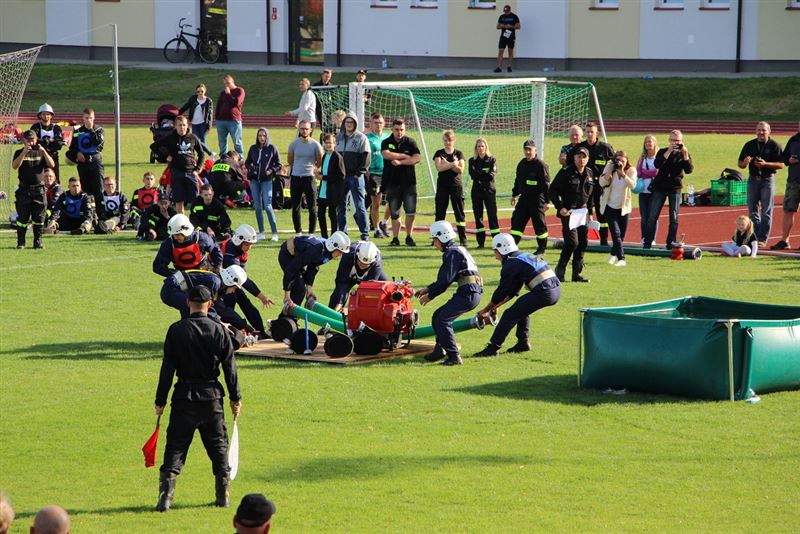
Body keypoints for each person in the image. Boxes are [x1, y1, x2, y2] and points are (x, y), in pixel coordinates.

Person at [154, 284, 241, 512]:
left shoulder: (176, 330)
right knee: (219, 446)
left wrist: (160, 400)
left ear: (187, 303)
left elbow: (167, 369)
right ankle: (223, 497)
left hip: (183, 397)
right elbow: (230, 368)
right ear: (210, 304)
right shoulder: (219, 330)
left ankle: (165, 499)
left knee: (175, 447)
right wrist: (235, 398)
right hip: (212, 397)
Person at [474, 234, 560, 357]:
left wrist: (486, 310)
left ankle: (493, 348)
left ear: (502, 249)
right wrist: (495, 306)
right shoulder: (520, 258)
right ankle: (523, 343)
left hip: (544, 292)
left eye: (495, 251)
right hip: (554, 290)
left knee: (509, 314)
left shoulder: (511, 263)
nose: (495, 256)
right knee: (521, 310)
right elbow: (513, 291)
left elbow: (502, 291)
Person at [415, 221, 482, 366]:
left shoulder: (451, 253)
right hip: (470, 291)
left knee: (443, 320)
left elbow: (445, 280)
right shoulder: (457, 250)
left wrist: (430, 295)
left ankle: (454, 356)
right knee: (438, 316)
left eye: (435, 240)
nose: (434, 244)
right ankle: (440, 350)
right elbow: (446, 279)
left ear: (442, 237)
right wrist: (428, 288)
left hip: (468, 292)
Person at [548, 147, 594, 283]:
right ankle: (560, 270)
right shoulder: (566, 172)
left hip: (582, 212)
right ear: (574, 158)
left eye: (584, 157)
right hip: (568, 212)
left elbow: (590, 195)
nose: (581, 159)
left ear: (588, 159)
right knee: (572, 242)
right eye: (579, 156)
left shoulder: (589, 173)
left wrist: (590, 212)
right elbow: (552, 190)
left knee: (583, 242)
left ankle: (577, 274)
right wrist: (560, 207)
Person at [643, 129, 694, 250]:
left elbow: (689, 170)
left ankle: (670, 242)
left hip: (675, 188)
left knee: (674, 217)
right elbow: (657, 164)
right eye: (673, 140)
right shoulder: (662, 151)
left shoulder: (684, 154)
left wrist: (685, 155)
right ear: (669, 141)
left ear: (682, 141)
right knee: (652, 216)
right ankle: (647, 242)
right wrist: (669, 151)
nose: (675, 143)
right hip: (660, 187)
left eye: (678, 141)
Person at [221, 224, 275, 336]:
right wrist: (261, 296)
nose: (249, 248)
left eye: (251, 244)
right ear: (238, 241)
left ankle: (260, 331)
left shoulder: (239, 250)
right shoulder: (229, 256)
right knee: (231, 303)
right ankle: (229, 332)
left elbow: (242, 275)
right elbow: (243, 280)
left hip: (229, 280)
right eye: (247, 244)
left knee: (245, 303)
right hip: (220, 283)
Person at [738, 121, 784, 247]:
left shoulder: (774, 145)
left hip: (767, 180)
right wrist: (744, 163)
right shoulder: (749, 145)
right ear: (755, 131)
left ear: (769, 131)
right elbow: (740, 163)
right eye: (759, 130)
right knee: (752, 209)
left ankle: (763, 239)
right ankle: (755, 236)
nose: (761, 132)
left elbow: (781, 164)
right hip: (753, 179)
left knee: (766, 210)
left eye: (763, 130)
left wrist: (765, 164)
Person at [149, 115, 205, 215]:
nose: (182, 127)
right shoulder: (171, 138)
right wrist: (166, 156)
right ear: (175, 126)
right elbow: (154, 146)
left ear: (187, 125)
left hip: (191, 172)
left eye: (184, 125)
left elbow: (201, 153)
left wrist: (198, 168)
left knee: (195, 200)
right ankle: (181, 220)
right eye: (179, 125)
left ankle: (196, 220)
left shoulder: (193, 138)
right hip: (176, 172)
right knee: (179, 200)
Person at [279, 231, 350, 306]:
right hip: (287, 255)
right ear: (333, 246)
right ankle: (289, 312)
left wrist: (309, 287)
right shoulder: (315, 250)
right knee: (299, 289)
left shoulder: (328, 252)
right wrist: (287, 294)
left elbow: (313, 266)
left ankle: (290, 312)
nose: (341, 255)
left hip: (299, 256)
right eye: (340, 252)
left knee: (300, 288)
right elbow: (292, 268)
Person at [381, 119, 421, 247]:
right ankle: (395, 238)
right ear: (392, 129)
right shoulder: (386, 142)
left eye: (402, 129)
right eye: (397, 130)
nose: (399, 132)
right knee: (394, 212)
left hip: (409, 183)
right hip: (392, 183)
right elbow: (386, 154)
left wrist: (400, 162)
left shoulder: (411, 142)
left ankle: (409, 236)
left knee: (410, 211)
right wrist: (404, 156)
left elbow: (417, 158)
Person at [12, 129, 54, 249]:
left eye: (33, 140)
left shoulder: (41, 152)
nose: (31, 142)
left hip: (39, 190)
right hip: (24, 189)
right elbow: (15, 166)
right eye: (28, 140)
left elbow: (52, 165)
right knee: (22, 218)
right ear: (23, 141)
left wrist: (44, 151)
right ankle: (21, 243)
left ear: (36, 140)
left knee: (39, 218)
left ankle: (38, 243)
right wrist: (24, 153)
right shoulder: (19, 152)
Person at [576, 122, 615, 246]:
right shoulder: (580, 147)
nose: (589, 134)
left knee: (601, 213)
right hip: (583, 185)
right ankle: (581, 241)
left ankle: (604, 241)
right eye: (587, 132)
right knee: (582, 211)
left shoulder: (605, 148)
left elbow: (614, 163)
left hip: (600, 185)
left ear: (596, 132)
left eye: (592, 132)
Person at [510, 139, 550, 255]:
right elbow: (518, 181)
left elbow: (546, 185)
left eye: (530, 150)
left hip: (537, 199)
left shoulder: (540, 165)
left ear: (535, 150)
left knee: (539, 224)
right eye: (526, 149)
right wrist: (514, 194)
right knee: (517, 220)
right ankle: (512, 246)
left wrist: (547, 201)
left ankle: (542, 248)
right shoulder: (521, 164)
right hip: (524, 198)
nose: (527, 152)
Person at [336, 112, 371, 241]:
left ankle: (365, 234)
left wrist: (358, 173)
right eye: (347, 122)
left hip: (355, 178)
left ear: (355, 124)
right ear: (344, 123)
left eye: (351, 122)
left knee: (360, 206)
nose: (349, 124)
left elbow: (366, 157)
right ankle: (342, 232)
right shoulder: (338, 137)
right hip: (341, 178)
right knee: (341, 207)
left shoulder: (361, 138)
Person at [153, 213, 222, 277]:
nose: (175, 237)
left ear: (185, 231)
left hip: (202, 273)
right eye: (173, 235)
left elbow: (215, 249)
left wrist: (216, 266)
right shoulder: (169, 244)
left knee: (215, 282)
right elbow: (158, 266)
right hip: (182, 277)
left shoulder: (201, 238)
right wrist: (177, 275)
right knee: (169, 285)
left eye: (177, 235)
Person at [599, 151, 637, 266]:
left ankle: (612, 254)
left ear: (627, 161)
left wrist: (623, 174)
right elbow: (601, 183)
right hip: (609, 206)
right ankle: (621, 258)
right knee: (616, 233)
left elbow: (632, 186)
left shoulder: (631, 170)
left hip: (623, 207)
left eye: (623, 161)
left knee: (621, 235)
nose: (620, 163)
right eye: (618, 160)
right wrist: (610, 170)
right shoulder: (610, 166)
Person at [245, 127, 282, 241]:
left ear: (267, 137)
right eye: (260, 135)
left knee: (268, 206)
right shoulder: (253, 148)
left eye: (264, 135)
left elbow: (279, 164)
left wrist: (271, 171)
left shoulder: (272, 148)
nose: (262, 138)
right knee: (257, 207)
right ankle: (261, 232)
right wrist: (251, 167)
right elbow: (247, 162)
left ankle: (274, 233)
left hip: (267, 180)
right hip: (254, 180)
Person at [287, 120, 324, 235]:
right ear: (299, 129)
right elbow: (290, 161)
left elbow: (320, 161)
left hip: (309, 178)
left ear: (311, 130)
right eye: (302, 128)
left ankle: (311, 233)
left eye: (306, 129)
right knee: (296, 207)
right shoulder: (293, 144)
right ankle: (298, 231)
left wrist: (314, 169)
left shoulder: (316, 145)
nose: (304, 131)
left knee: (312, 207)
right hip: (296, 178)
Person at [329, 241, 388, 310]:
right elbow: (341, 280)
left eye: (366, 264)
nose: (362, 266)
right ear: (357, 256)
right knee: (337, 296)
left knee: (383, 284)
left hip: (367, 278)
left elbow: (368, 290)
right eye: (360, 262)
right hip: (349, 276)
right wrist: (340, 302)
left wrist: (350, 307)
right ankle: (329, 314)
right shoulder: (348, 254)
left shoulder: (377, 264)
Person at [433, 129, 468, 247]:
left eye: (450, 140)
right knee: (440, 212)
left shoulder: (459, 153)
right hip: (442, 186)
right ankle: (437, 239)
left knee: (459, 212)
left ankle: (463, 239)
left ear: (454, 140)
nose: (448, 142)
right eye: (446, 140)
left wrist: (447, 164)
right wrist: (453, 164)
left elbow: (460, 170)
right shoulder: (439, 153)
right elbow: (439, 168)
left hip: (456, 186)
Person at [65, 107, 104, 206]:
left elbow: (99, 144)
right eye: (86, 118)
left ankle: (100, 212)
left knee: (98, 188)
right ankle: (87, 210)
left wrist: (91, 130)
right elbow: (72, 148)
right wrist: (77, 153)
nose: (88, 120)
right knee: (86, 189)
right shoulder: (78, 132)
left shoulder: (99, 130)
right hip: (83, 163)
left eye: (90, 118)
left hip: (95, 162)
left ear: (94, 117)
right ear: (83, 118)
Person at [772, 125, 800, 250]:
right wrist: (789, 160)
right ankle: (785, 240)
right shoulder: (794, 139)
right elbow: (784, 158)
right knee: (788, 210)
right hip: (793, 181)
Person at [469, 137, 499, 249]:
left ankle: (497, 242)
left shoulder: (492, 160)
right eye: (478, 146)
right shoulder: (472, 161)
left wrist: (479, 174)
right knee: (478, 217)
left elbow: (491, 175)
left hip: (489, 191)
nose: (480, 148)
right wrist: (482, 174)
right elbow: (473, 175)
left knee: (492, 216)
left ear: (486, 147)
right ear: (476, 148)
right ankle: (480, 242)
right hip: (476, 191)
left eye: (482, 146)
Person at [366, 113, 390, 238]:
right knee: (376, 203)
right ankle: (376, 229)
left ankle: (384, 222)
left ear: (384, 123)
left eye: (380, 122)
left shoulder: (388, 137)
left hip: (388, 173)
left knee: (393, 200)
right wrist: (367, 171)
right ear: (371, 124)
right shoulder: (367, 138)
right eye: (376, 122)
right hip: (375, 173)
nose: (378, 125)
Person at [317, 132, 346, 238]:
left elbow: (341, 175)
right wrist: (319, 174)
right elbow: (326, 171)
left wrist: (324, 177)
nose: (329, 145)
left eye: (331, 143)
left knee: (332, 214)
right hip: (323, 190)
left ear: (335, 144)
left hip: (332, 191)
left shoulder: (338, 157)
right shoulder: (325, 156)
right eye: (327, 143)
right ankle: (324, 236)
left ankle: (334, 236)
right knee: (320, 214)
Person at [30, 103, 66, 180]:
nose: (46, 116)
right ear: (40, 115)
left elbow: (59, 144)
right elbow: (34, 142)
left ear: (51, 115)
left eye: (48, 114)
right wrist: (50, 141)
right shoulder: (35, 127)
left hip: (53, 157)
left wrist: (43, 143)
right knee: (39, 180)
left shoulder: (56, 128)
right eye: (43, 114)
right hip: (39, 157)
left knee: (55, 180)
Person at [635, 135, 659, 246]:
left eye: (650, 142)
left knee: (652, 217)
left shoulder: (658, 157)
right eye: (646, 142)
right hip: (643, 191)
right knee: (644, 217)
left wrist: (645, 173)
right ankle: (644, 238)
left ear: (654, 143)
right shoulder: (643, 157)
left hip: (655, 191)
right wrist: (647, 173)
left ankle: (652, 238)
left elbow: (657, 172)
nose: (648, 144)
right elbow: (638, 172)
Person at [215, 74, 246, 157]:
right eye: (225, 83)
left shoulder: (240, 90)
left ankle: (240, 158)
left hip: (234, 120)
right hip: (221, 121)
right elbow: (219, 105)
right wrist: (217, 117)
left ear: (232, 81)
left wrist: (228, 94)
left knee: (237, 141)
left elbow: (236, 102)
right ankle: (223, 157)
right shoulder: (223, 93)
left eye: (228, 83)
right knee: (222, 142)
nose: (226, 85)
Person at [179, 83, 214, 149]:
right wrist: (178, 112)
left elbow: (210, 114)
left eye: (202, 91)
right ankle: (195, 154)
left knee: (202, 141)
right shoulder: (193, 98)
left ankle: (206, 153)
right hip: (194, 123)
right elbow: (186, 106)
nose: (200, 93)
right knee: (195, 140)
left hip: (203, 123)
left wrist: (209, 126)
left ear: (205, 91)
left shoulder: (208, 101)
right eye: (198, 91)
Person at [494, 4, 520, 73]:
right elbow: (497, 27)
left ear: (510, 10)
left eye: (507, 11)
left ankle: (509, 66)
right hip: (503, 36)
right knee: (500, 51)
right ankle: (499, 67)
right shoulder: (501, 16)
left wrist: (511, 26)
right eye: (505, 11)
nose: (506, 13)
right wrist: (502, 26)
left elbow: (518, 26)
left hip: (511, 36)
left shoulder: (514, 17)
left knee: (510, 51)